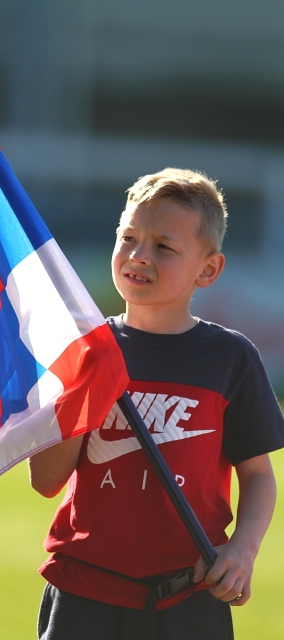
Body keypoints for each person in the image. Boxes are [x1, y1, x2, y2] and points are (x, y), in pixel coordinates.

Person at [28, 168, 284, 640]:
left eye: (164, 246)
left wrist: (243, 550)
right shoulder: (83, 351)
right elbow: (45, 481)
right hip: (84, 591)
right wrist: (84, 388)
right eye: (128, 238)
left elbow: (259, 476)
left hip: (189, 594)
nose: (139, 255)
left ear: (208, 269)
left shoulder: (230, 358)